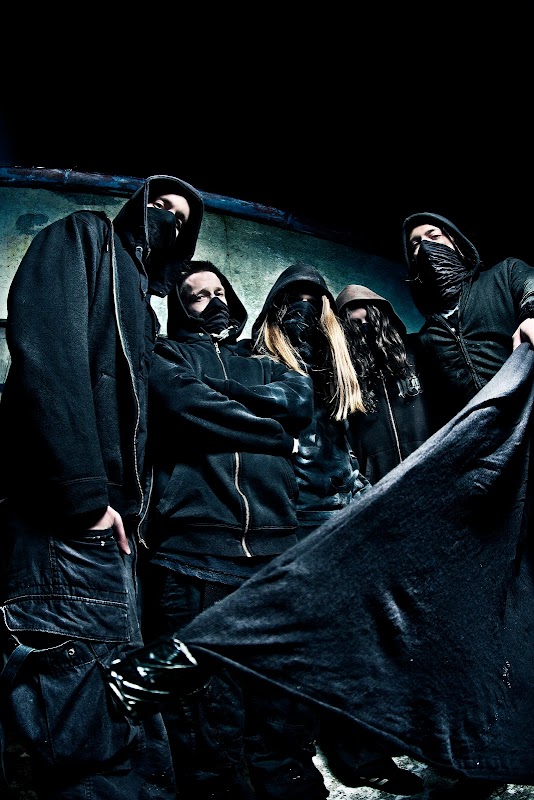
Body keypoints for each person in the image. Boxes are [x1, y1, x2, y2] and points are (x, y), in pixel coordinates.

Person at [0, 175, 204, 800]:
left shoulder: (141, 301)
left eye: (180, 218)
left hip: (109, 529)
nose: (166, 218)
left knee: (114, 710)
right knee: (86, 723)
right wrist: (84, 500)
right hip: (70, 521)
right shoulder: (84, 237)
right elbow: (47, 354)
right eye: (159, 204)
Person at [138, 260, 318, 799]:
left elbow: (299, 401)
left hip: (275, 553)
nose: (212, 301)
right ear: (178, 307)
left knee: (281, 695)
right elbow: (181, 402)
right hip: (193, 553)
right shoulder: (167, 355)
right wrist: (276, 436)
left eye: (218, 291)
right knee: (203, 709)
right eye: (196, 295)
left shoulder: (264, 361)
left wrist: (219, 390)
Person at [245, 264, 423, 795]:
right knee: (293, 648)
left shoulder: (336, 362)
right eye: (291, 297)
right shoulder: (255, 360)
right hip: (286, 520)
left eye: (312, 297)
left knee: (355, 640)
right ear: (274, 306)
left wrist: (358, 489)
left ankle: (362, 754)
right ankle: (287, 764)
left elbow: (344, 439)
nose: (302, 306)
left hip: (339, 514)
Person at [402, 211, 534, 429]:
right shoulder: (428, 336)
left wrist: (530, 315)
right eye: (415, 244)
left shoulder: (504, 274)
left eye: (433, 236)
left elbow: (530, 285)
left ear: (456, 242)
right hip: (484, 436)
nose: (425, 246)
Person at [336, 283, 435, 484]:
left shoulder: (417, 351)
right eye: (357, 324)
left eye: (371, 319)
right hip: (379, 482)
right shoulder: (345, 377)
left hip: (432, 467)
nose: (366, 327)